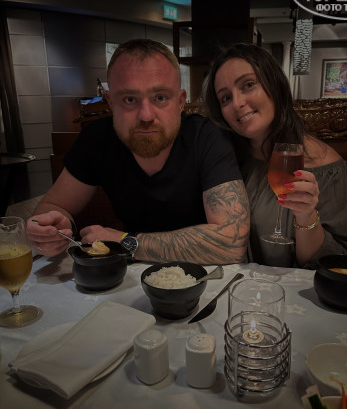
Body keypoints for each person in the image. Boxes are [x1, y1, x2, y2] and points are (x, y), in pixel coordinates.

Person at [27, 39, 250, 265]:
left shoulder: (207, 137)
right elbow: (53, 207)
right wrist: (51, 228)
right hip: (128, 276)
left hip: (206, 274)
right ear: (111, 102)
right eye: (130, 99)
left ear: (180, 101)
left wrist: (126, 242)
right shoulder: (96, 139)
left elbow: (232, 243)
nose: (146, 115)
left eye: (160, 97)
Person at [202, 42, 347, 268]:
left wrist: (306, 216)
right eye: (225, 98)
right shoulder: (226, 160)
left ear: (275, 85)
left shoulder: (327, 169)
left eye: (248, 85)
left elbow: (338, 264)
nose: (237, 103)